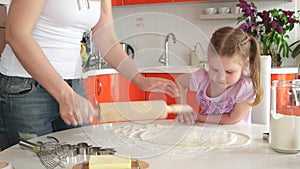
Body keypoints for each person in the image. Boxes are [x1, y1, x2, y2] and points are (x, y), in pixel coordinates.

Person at [0, 0, 180, 149]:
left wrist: (138, 79)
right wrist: (64, 94)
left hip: (73, 84)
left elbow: (107, 38)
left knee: (80, 156)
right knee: (32, 161)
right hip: (26, 88)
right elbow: (17, 33)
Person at [175, 26, 263, 125]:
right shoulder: (202, 78)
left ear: (245, 63)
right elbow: (179, 82)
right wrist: (182, 107)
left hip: (237, 136)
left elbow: (232, 119)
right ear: (208, 61)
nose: (221, 78)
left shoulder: (245, 87)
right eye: (215, 69)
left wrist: (199, 117)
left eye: (229, 72)